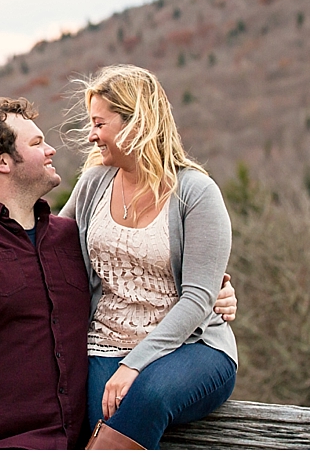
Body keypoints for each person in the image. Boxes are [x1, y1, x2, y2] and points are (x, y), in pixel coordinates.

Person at [0, 96, 237, 449]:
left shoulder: (68, 239)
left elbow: (132, 267)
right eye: (37, 143)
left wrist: (214, 290)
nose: (52, 150)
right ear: (1, 161)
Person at [60, 65, 238, 449]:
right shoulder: (93, 184)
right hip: (103, 345)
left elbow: (197, 298)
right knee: (93, 419)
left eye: (99, 123)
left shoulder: (196, 193)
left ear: (136, 123)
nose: (91, 136)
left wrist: (134, 364)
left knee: (146, 397)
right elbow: (52, 253)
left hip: (190, 348)